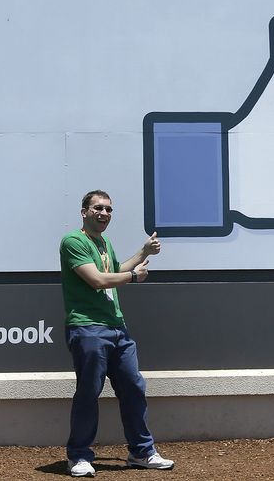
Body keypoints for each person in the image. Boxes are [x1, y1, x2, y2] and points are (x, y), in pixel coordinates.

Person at [60, 189, 174, 477]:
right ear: (84, 211)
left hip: (117, 328)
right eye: (98, 208)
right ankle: (79, 456)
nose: (104, 214)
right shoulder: (74, 241)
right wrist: (134, 277)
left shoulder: (103, 242)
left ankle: (141, 452)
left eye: (109, 209)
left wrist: (142, 253)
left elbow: (115, 270)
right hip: (87, 328)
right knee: (89, 392)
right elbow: (97, 280)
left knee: (134, 388)